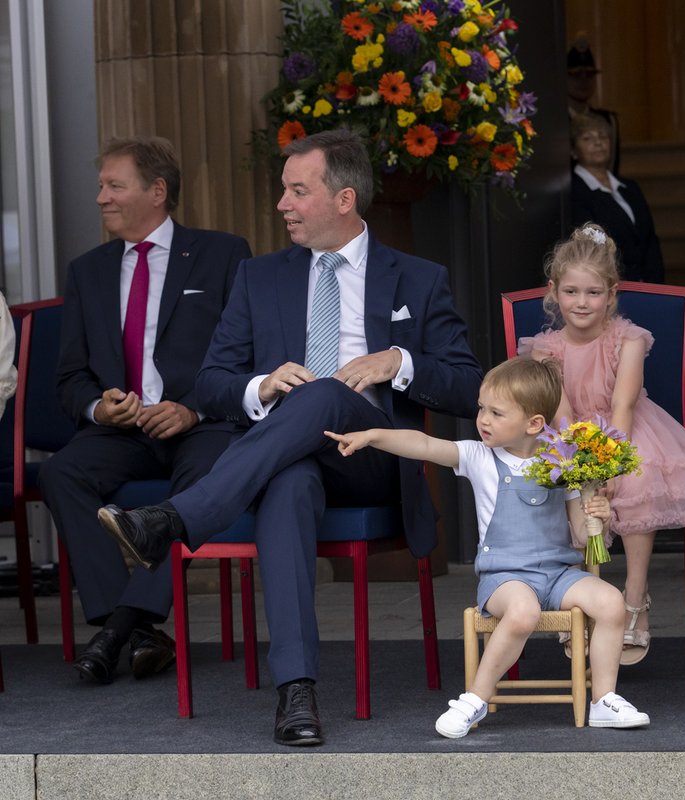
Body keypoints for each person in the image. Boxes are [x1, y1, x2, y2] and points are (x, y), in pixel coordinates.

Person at [97, 129, 483, 746]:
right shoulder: (260, 277)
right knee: (289, 482)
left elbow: (470, 388)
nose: (282, 204)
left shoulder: (418, 277)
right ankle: (296, 694)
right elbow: (212, 383)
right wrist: (263, 386)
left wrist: (398, 363)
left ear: (344, 200)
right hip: (286, 453)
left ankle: (175, 519)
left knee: (330, 392)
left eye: (297, 191)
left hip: (374, 457)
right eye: (284, 190)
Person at [326, 358, 650, 737]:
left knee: (611, 602)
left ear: (534, 424)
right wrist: (372, 436)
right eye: (482, 408)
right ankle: (474, 698)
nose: (483, 419)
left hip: (559, 575)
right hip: (506, 577)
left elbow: (580, 533)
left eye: (496, 413)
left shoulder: (563, 463)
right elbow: (425, 444)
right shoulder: (480, 458)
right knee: (523, 611)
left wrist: (598, 513)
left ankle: (604, 700)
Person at [38, 137, 250, 685]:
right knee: (63, 472)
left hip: (199, 424)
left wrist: (192, 409)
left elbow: (247, 355)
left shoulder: (223, 253)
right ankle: (133, 630)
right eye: (101, 186)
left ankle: (119, 629)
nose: (101, 198)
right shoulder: (88, 270)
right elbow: (70, 378)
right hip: (124, 430)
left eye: (114, 185)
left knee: (205, 478)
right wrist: (98, 407)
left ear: (157, 191)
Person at [520, 223, 685, 666]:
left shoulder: (627, 339)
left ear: (611, 294)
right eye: (571, 292)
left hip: (625, 433)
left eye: (593, 293)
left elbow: (624, 407)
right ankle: (579, 596)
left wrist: (611, 466)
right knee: (560, 490)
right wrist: (581, 473)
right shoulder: (544, 350)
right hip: (565, 437)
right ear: (554, 292)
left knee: (637, 481)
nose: (582, 303)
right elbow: (560, 417)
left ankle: (635, 594)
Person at [570, 114, 665, 284]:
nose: (598, 142)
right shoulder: (573, 192)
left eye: (603, 137)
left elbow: (650, 240)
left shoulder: (630, 187)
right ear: (573, 150)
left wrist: (655, 284)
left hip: (647, 287)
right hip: (607, 289)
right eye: (587, 138)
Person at [567, 36, 620, 174]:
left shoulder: (607, 120)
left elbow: (612, 168)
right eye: (576, 75)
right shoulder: (556, 120)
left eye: (590, 74)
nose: (583, 81)